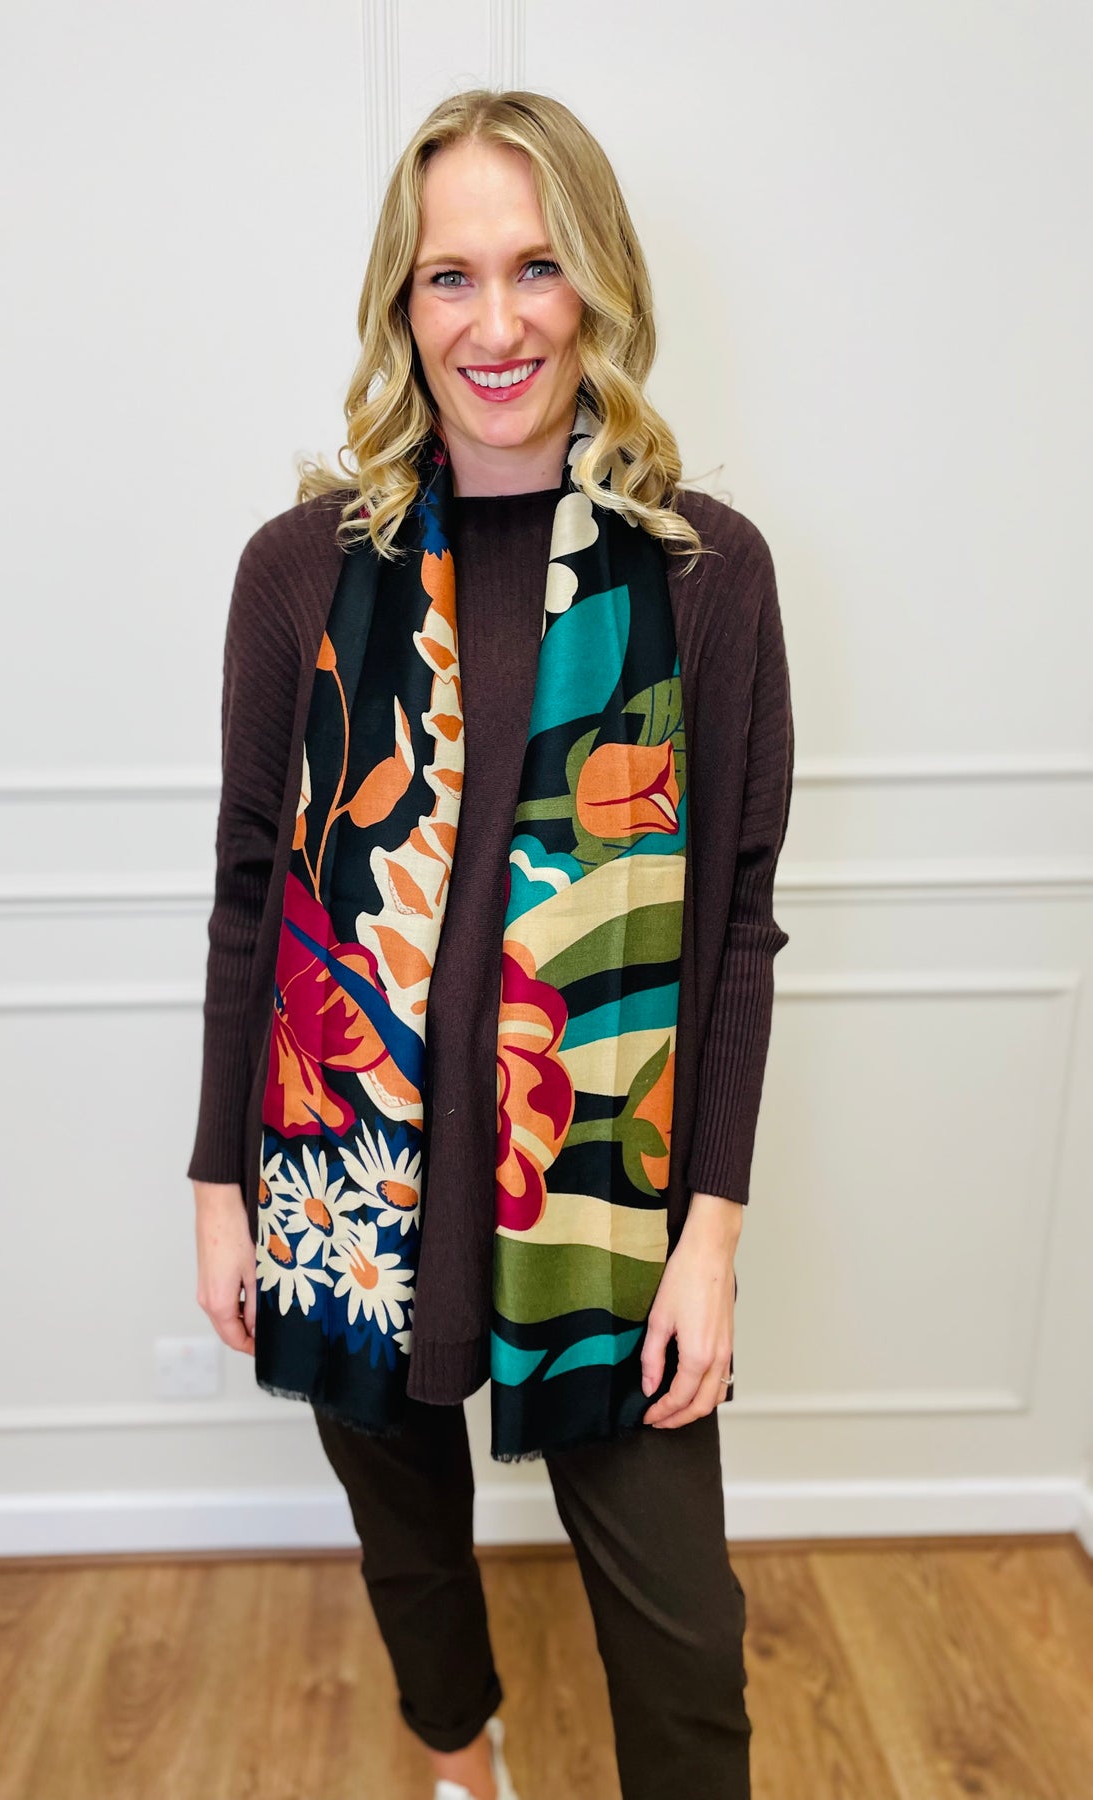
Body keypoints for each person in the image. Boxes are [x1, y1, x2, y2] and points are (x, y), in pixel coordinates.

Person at [188, 87, 793, 1800]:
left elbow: (736, 925)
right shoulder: (300, 570)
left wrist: (710, 1238)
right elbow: (251, 890)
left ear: (597, 283)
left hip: (601, 1190)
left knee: (683, 1643)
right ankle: (463, 1758)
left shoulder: (706, 575)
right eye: (449, 277)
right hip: (347, 1185)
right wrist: (222, 1187)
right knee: (408, 1555)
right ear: (402, 305)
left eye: (536, 267)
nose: (497, 322)